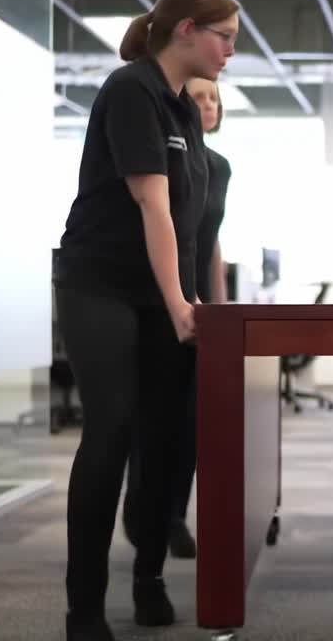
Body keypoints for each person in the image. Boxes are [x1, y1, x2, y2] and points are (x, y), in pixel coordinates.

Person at [52, 0, 239, 641]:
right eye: (225, 38)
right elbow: (153, 206)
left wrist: (195, 305)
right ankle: (84, 608)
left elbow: (192, 224)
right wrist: (179, 305)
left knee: (165, 435)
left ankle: (149, 578)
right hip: (100, 283)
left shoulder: (185, 111)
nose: (230, 52)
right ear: (186, 30)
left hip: (160, 290)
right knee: (113, 427)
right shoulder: (130, 90)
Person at [121, 78, 232, 560]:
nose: (207, 104)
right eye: (199, 96)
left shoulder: (219, 168)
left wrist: (222, 303)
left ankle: (173, 515)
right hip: (157, 298)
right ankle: (143, 507)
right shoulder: (167, 157)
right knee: (155, 414)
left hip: (199, 301)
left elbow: (210, 238)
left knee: (192, 417)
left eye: (214, 99)